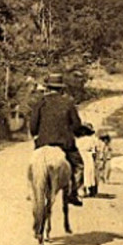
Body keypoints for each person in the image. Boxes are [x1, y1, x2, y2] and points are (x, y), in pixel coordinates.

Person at [30, 73, 85, 206]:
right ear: (61, 88)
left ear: (48, 88)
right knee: (79, 166)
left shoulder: (40, 103)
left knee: (33, 164)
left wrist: (37, 135)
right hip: (64, 144)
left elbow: (33, 125)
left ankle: (31, 189)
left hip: (43, 143)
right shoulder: (68, 103)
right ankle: (73, 193)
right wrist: (74, 131)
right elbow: (76, 125)